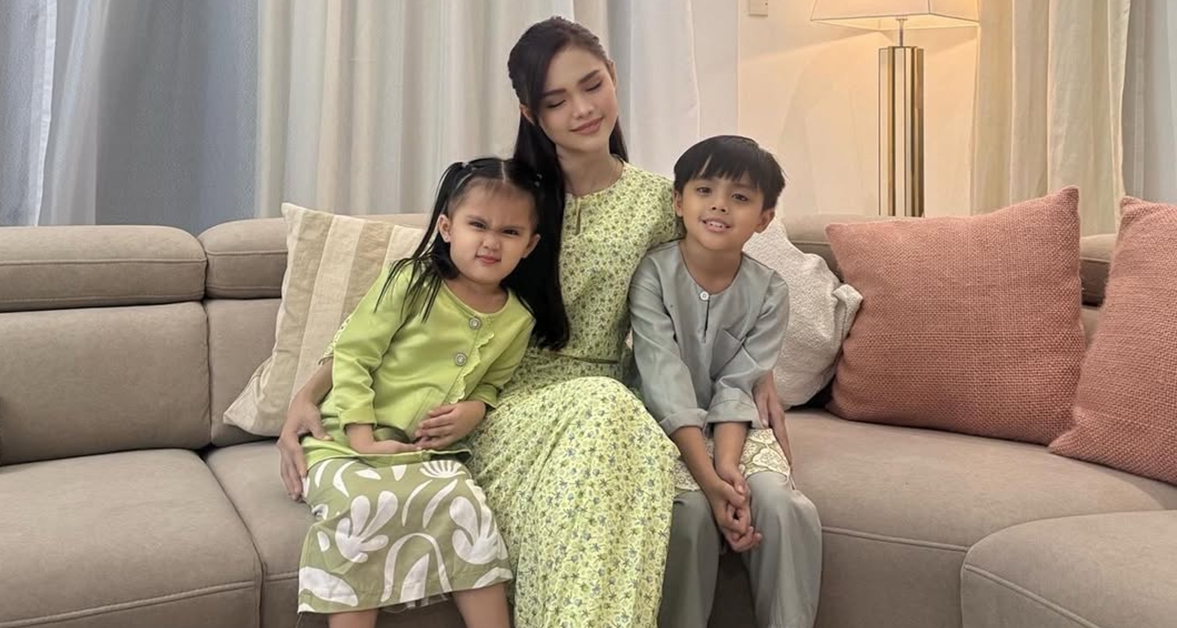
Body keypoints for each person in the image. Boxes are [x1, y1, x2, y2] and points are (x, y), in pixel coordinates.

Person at [278, 17, 787, 627]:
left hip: (614, 403)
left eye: (591, 85)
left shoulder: (664, 201)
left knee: (611, 413)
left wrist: (756, 371)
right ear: (531, 113)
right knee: (607, 410)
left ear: (613, 76)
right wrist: (307, 393)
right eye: (556, 100)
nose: (582, 109)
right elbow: (411, 302)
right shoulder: (510, 200)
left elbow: (717, 284)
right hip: (504, 403)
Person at [295, 157, 565, 628]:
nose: (491, 242)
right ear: (446, 227)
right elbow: (354, 356)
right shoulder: (410, 281)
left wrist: (475, 409)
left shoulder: (517, 319)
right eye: (477, 225)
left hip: (425, 453)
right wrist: (361, 437)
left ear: (529, 245)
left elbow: (492, 383)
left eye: (509, 232)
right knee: (362, 509)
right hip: (341, 440)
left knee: (469, 510)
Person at [630, 135, 822, 628]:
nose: (719, 204)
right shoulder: (652, 275)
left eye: (739, 196)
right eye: (704, 190)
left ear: (764, 218)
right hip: (663, 428)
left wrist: (728, 468)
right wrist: (709, 479)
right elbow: (664, 380)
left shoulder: (770, 291)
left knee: (780, 506)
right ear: (678, 201)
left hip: (737, 429)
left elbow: (740, 384)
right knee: (690, 513)